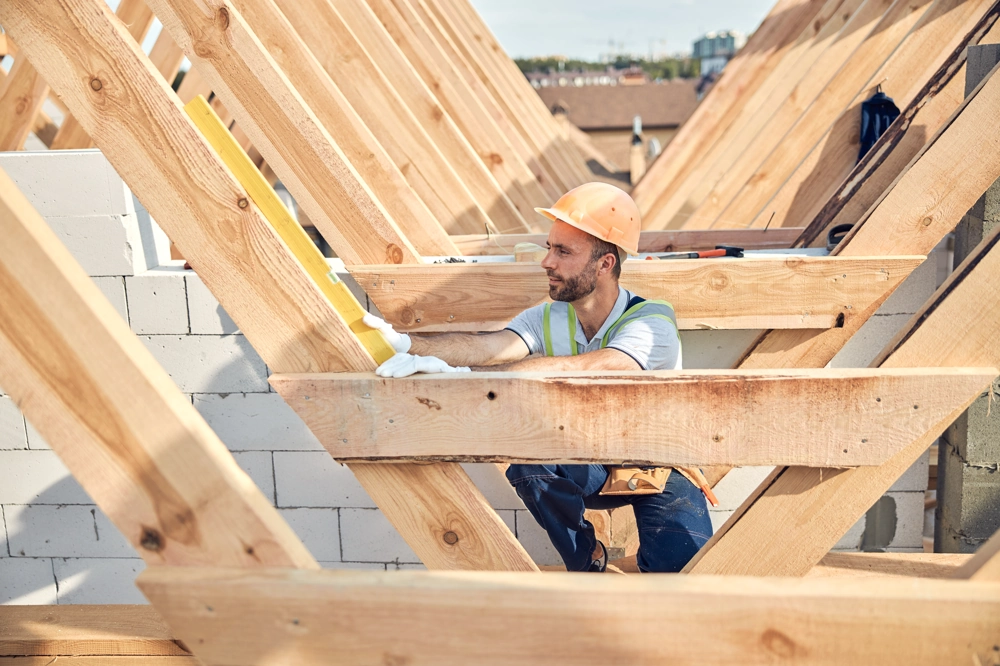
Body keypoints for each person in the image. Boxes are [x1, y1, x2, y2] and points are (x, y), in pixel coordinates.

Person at [365, 182, 713, 572]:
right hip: (589, 462)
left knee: (682, 574)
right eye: (550, 247)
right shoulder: (548, 316)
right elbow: (488, 347)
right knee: (531, 462)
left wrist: (467, 375)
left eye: (563, 251)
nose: (547, 262)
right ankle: (588, 559)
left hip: (658, 468)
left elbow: (602, 366)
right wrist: (407, 345)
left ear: (605, 264)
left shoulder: (651, 322)